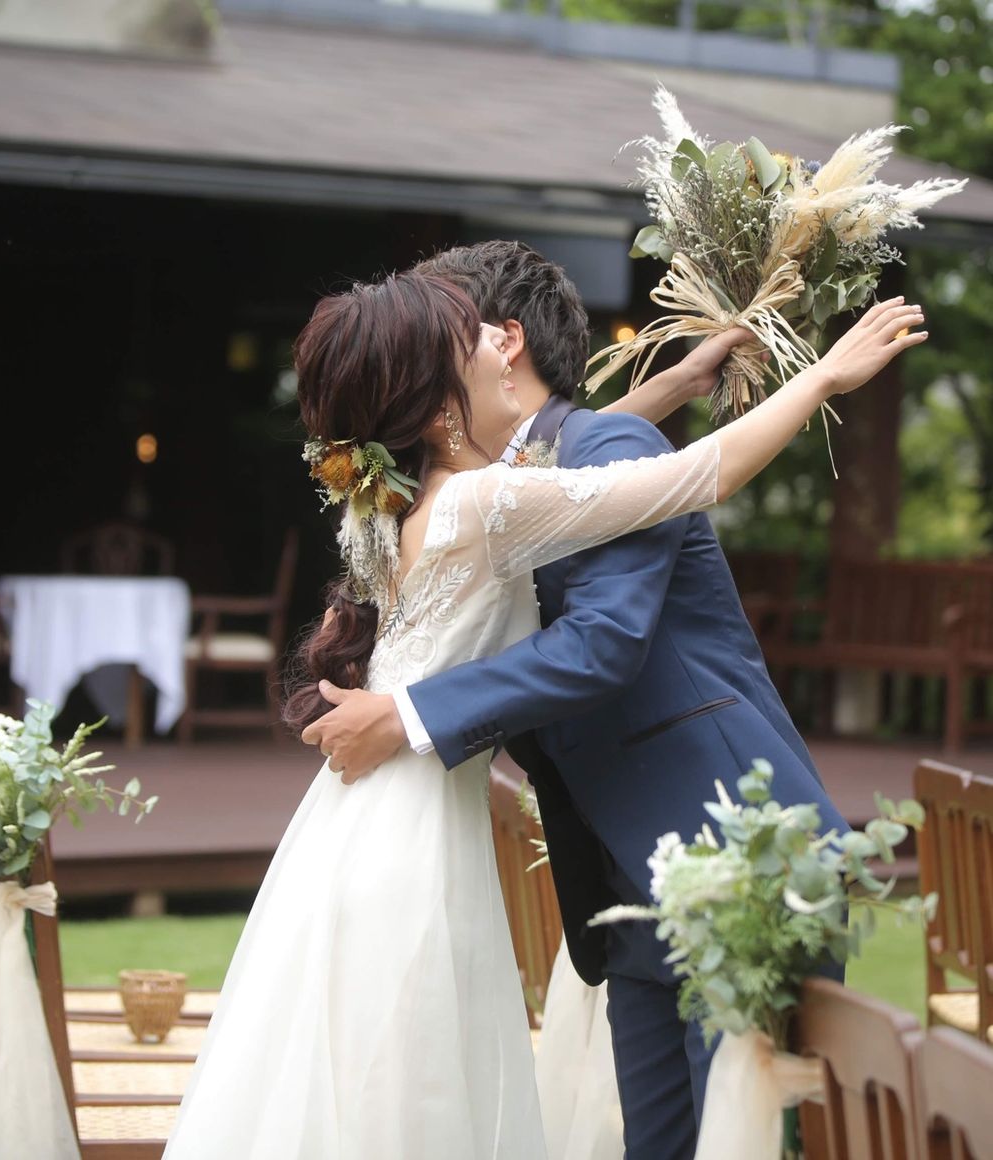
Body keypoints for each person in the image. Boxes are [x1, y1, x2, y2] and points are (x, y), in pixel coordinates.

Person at [163, 266, 923, 1159]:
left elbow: (578, 486)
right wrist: (823, 377)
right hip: (469, 837)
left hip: (419, 823)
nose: (495, 342)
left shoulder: (398, 503)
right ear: (439, 395)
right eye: (470, 336)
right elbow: (678, 477)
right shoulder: (480, 499)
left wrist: (678, 384)